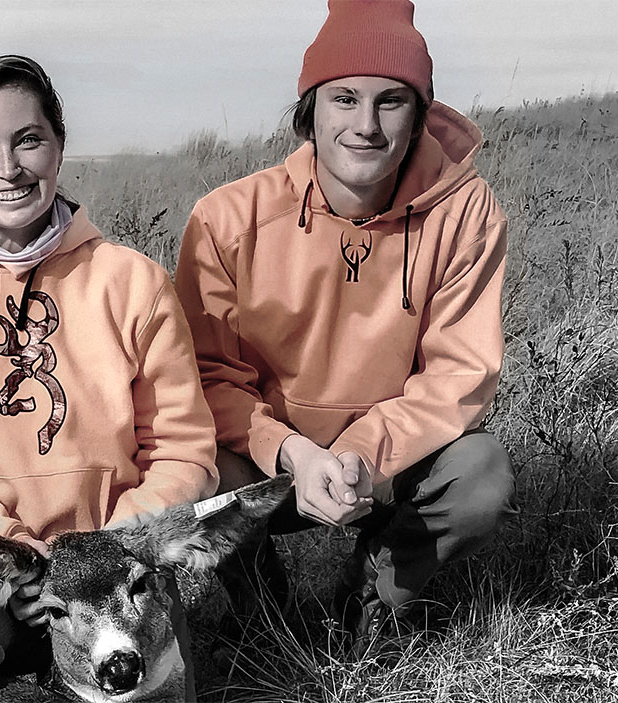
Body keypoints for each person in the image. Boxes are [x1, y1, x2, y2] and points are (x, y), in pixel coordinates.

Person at [0, 54, 217, 692]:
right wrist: (14, 554)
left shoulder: (134, 283)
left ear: (58, 145)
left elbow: (182, 448)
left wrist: (110, 553)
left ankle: (73, 644)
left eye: (29, 140)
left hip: (112, 558)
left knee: (156, 675)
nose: (9, 168)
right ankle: (14, 647)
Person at [174, 0, 516, 647]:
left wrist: (361, 454)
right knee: (191, 469)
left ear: (421, 113)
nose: (366, 125)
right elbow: (206, 378)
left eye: (391, 101)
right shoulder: (226, 219)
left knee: (481, 472)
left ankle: (375, 593)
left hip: (387, 461)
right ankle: (258, 601)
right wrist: (294, 453)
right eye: (344, 99)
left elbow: (459, 375)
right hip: (267, 461)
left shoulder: (466, 215)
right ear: (309, 110)